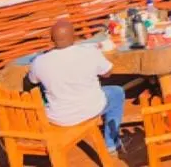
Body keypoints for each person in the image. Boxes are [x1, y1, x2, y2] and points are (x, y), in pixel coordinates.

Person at [27, 19, 125, 154]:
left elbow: (32, 81)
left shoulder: (39, 62)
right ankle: (111, 143)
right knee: (117, 92)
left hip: (59, 117)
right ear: (74, 36)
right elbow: (107, 73)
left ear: (52, 39)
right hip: (91, 108)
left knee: (46, 90)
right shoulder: (89, 52)